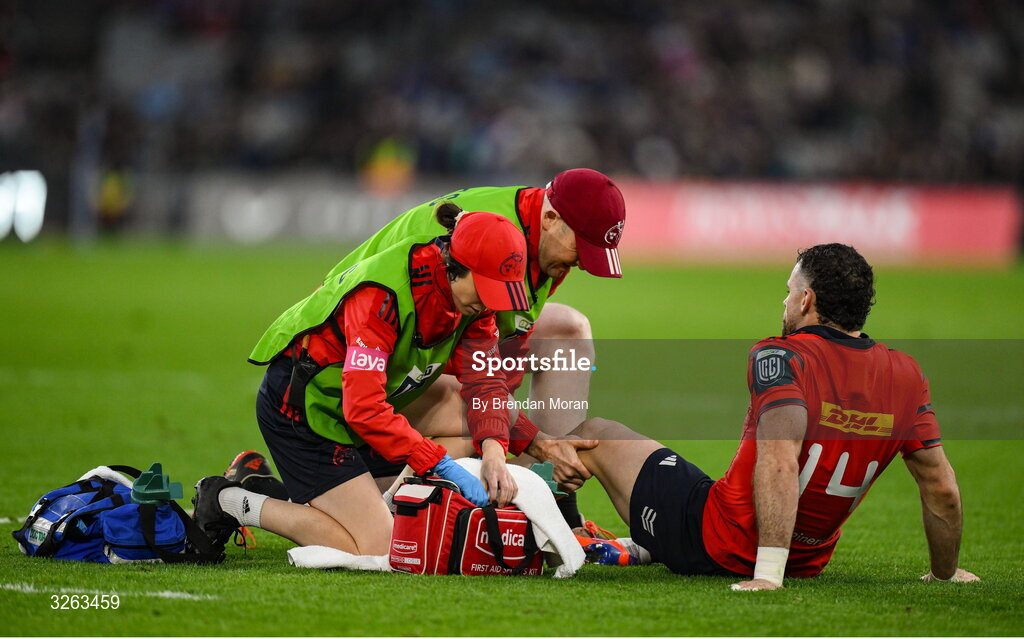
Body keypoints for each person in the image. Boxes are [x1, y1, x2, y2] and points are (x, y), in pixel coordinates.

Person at [566, 244, 980, 589]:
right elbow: (940, 487)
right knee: (706, 483)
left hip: (717, 542)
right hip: (806, 561)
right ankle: (641, 544)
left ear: (806, 299)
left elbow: (781, 456)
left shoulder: (782, 355)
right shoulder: (906, 375)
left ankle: (531, 534)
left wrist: (767, 575)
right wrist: (944, 575)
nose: (784, 301)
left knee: (592, 434)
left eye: (789, 290)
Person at [191, 209, 566, 557]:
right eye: (486, 290)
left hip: (367, 405)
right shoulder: (384, 294)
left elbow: (484, 380)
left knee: (473, 430)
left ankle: (365, 502)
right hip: (305, 410)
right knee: (380, 546)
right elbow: (364, 409)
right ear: (456, 266)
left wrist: (494, 450)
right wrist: (439, 465)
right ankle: (232, 499)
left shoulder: (474, 305)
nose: (491, 305)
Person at [327, 167, 627, 527]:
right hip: (354, 356)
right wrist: (509, 438)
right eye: (583, 248)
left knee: (567, 332)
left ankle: (554, 500)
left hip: (427, 344)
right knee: (472, 413)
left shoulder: (542, 239)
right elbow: (467, 356)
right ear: (551, 218)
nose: (581, 263)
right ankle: (376, 501)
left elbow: (506, 342)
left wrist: (509, 439)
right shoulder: (484, 236)